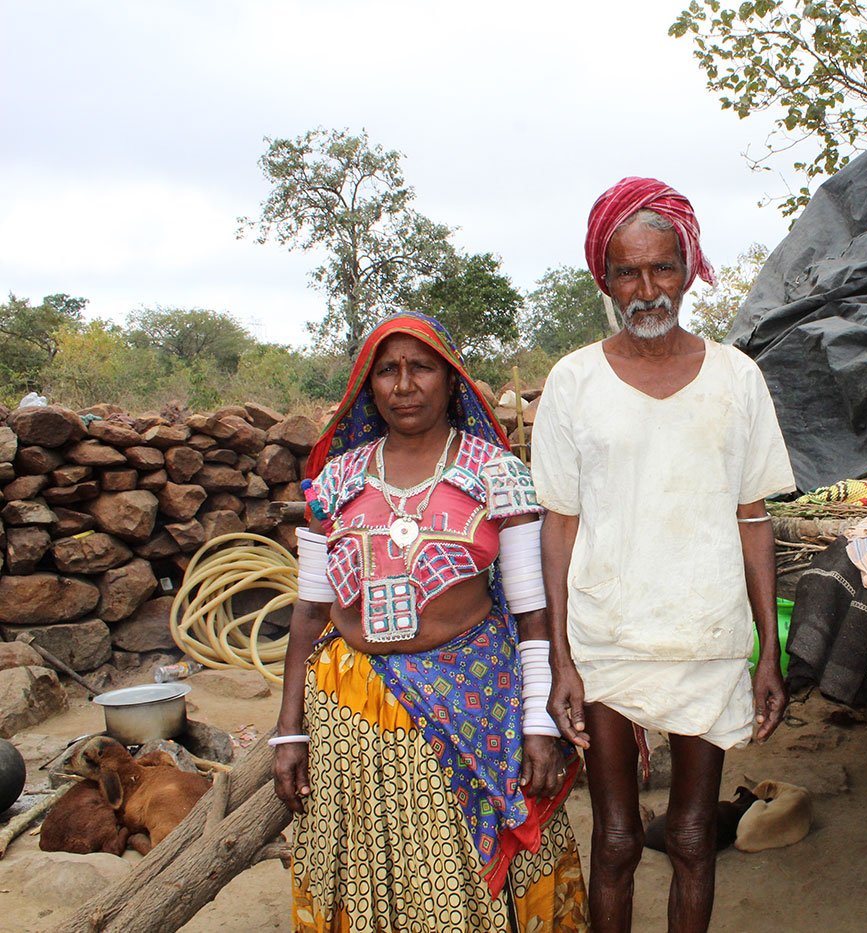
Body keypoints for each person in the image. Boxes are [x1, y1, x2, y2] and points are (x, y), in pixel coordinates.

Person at [532, 177, 796, 932]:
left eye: (663, 268)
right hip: (608, 639)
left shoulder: (737, 378)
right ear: (605, 279)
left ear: (688, 266)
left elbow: (753, 518)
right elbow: (559, 526)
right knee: (615, 838)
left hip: (707, 639)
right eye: (627, 272)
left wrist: (764, 651)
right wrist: (561, 662)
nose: (648, 289)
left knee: (689, 836)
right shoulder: (574, 382)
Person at [272, 311, 589, 931]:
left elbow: (531, 612)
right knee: (363, 876)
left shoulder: (497, 473)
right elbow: (309, 614)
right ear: (370, 388)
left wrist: (535, 723)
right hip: (349, 718)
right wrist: (290, 732)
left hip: (473, 700)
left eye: (420, 367)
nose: (404, 384)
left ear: (450, 380)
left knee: (455, 883)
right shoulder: (334, 480)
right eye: (387, 370)